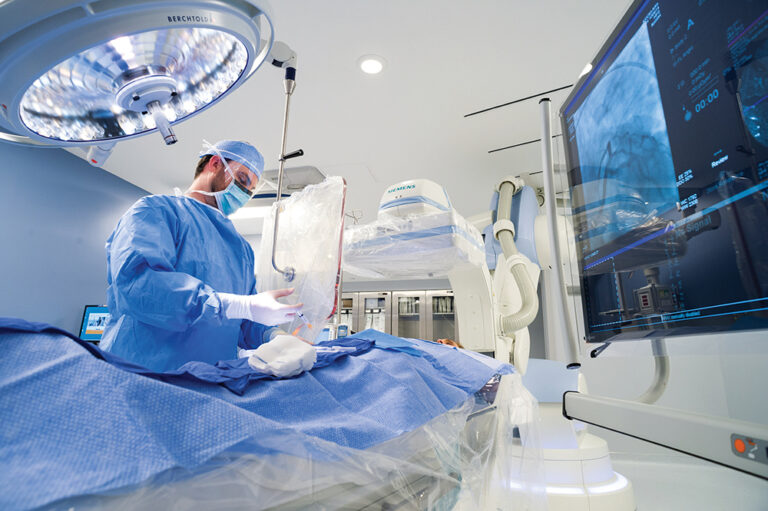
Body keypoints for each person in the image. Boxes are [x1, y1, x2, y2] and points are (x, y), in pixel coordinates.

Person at [100, 140, 301, 372]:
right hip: (143, 372)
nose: (245, 193)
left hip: (211, 379)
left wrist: (273, 336)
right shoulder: (156, 211)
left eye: (250, 190)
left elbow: (243, 320)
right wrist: (232, 305)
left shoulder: (241, 249)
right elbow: (141, 286)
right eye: (242, 179)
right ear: (215, 163)